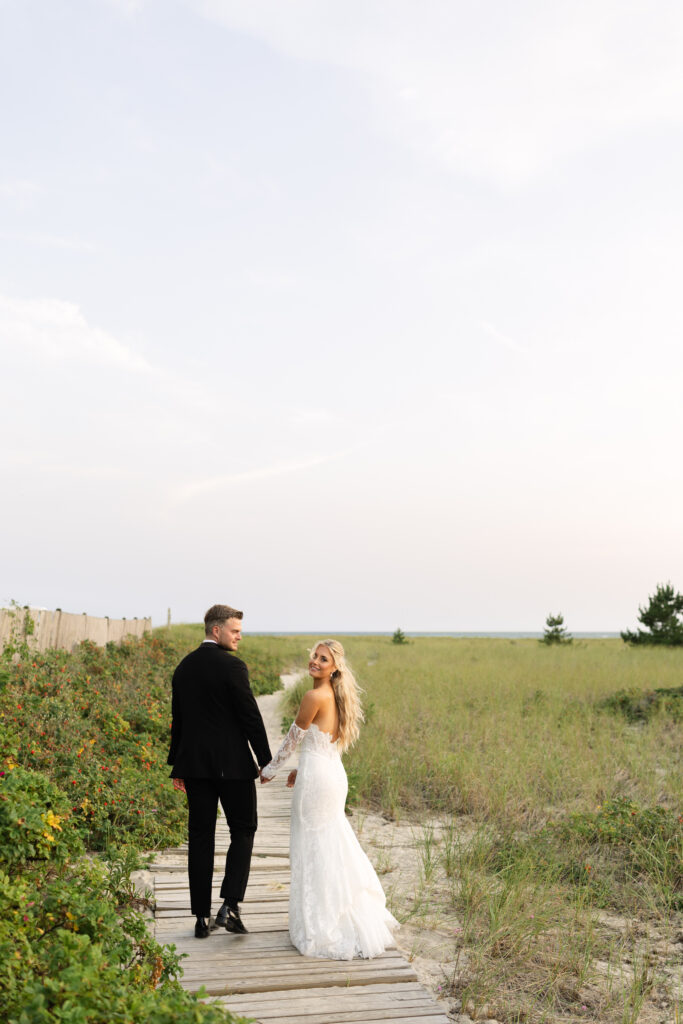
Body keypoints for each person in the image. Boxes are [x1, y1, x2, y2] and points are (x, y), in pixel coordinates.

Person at [261, 640, 397, 959]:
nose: (316, 661)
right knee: (329, 844)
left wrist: (270, 770)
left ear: (334, 667)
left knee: (313, 847)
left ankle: (322, 926)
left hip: (319, 781)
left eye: (324, 659)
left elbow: (292, 740)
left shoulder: (313, 696)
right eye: (314, 655)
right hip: (330, 775)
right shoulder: (335, 696)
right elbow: (321, 744)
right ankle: (337, 914)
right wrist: (300, 771)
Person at [168, 604, 272, 939]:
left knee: (200, 837)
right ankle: (229, 905)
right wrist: (267, 760)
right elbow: (250, 717)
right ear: (217, 630)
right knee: (243, 829)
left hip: (195, 767)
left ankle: (200, 918)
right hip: (234, 767)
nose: (239, 637)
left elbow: (178, 722)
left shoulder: (183, 668)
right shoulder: (232, 666)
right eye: (235, 631)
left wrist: (177, 766)